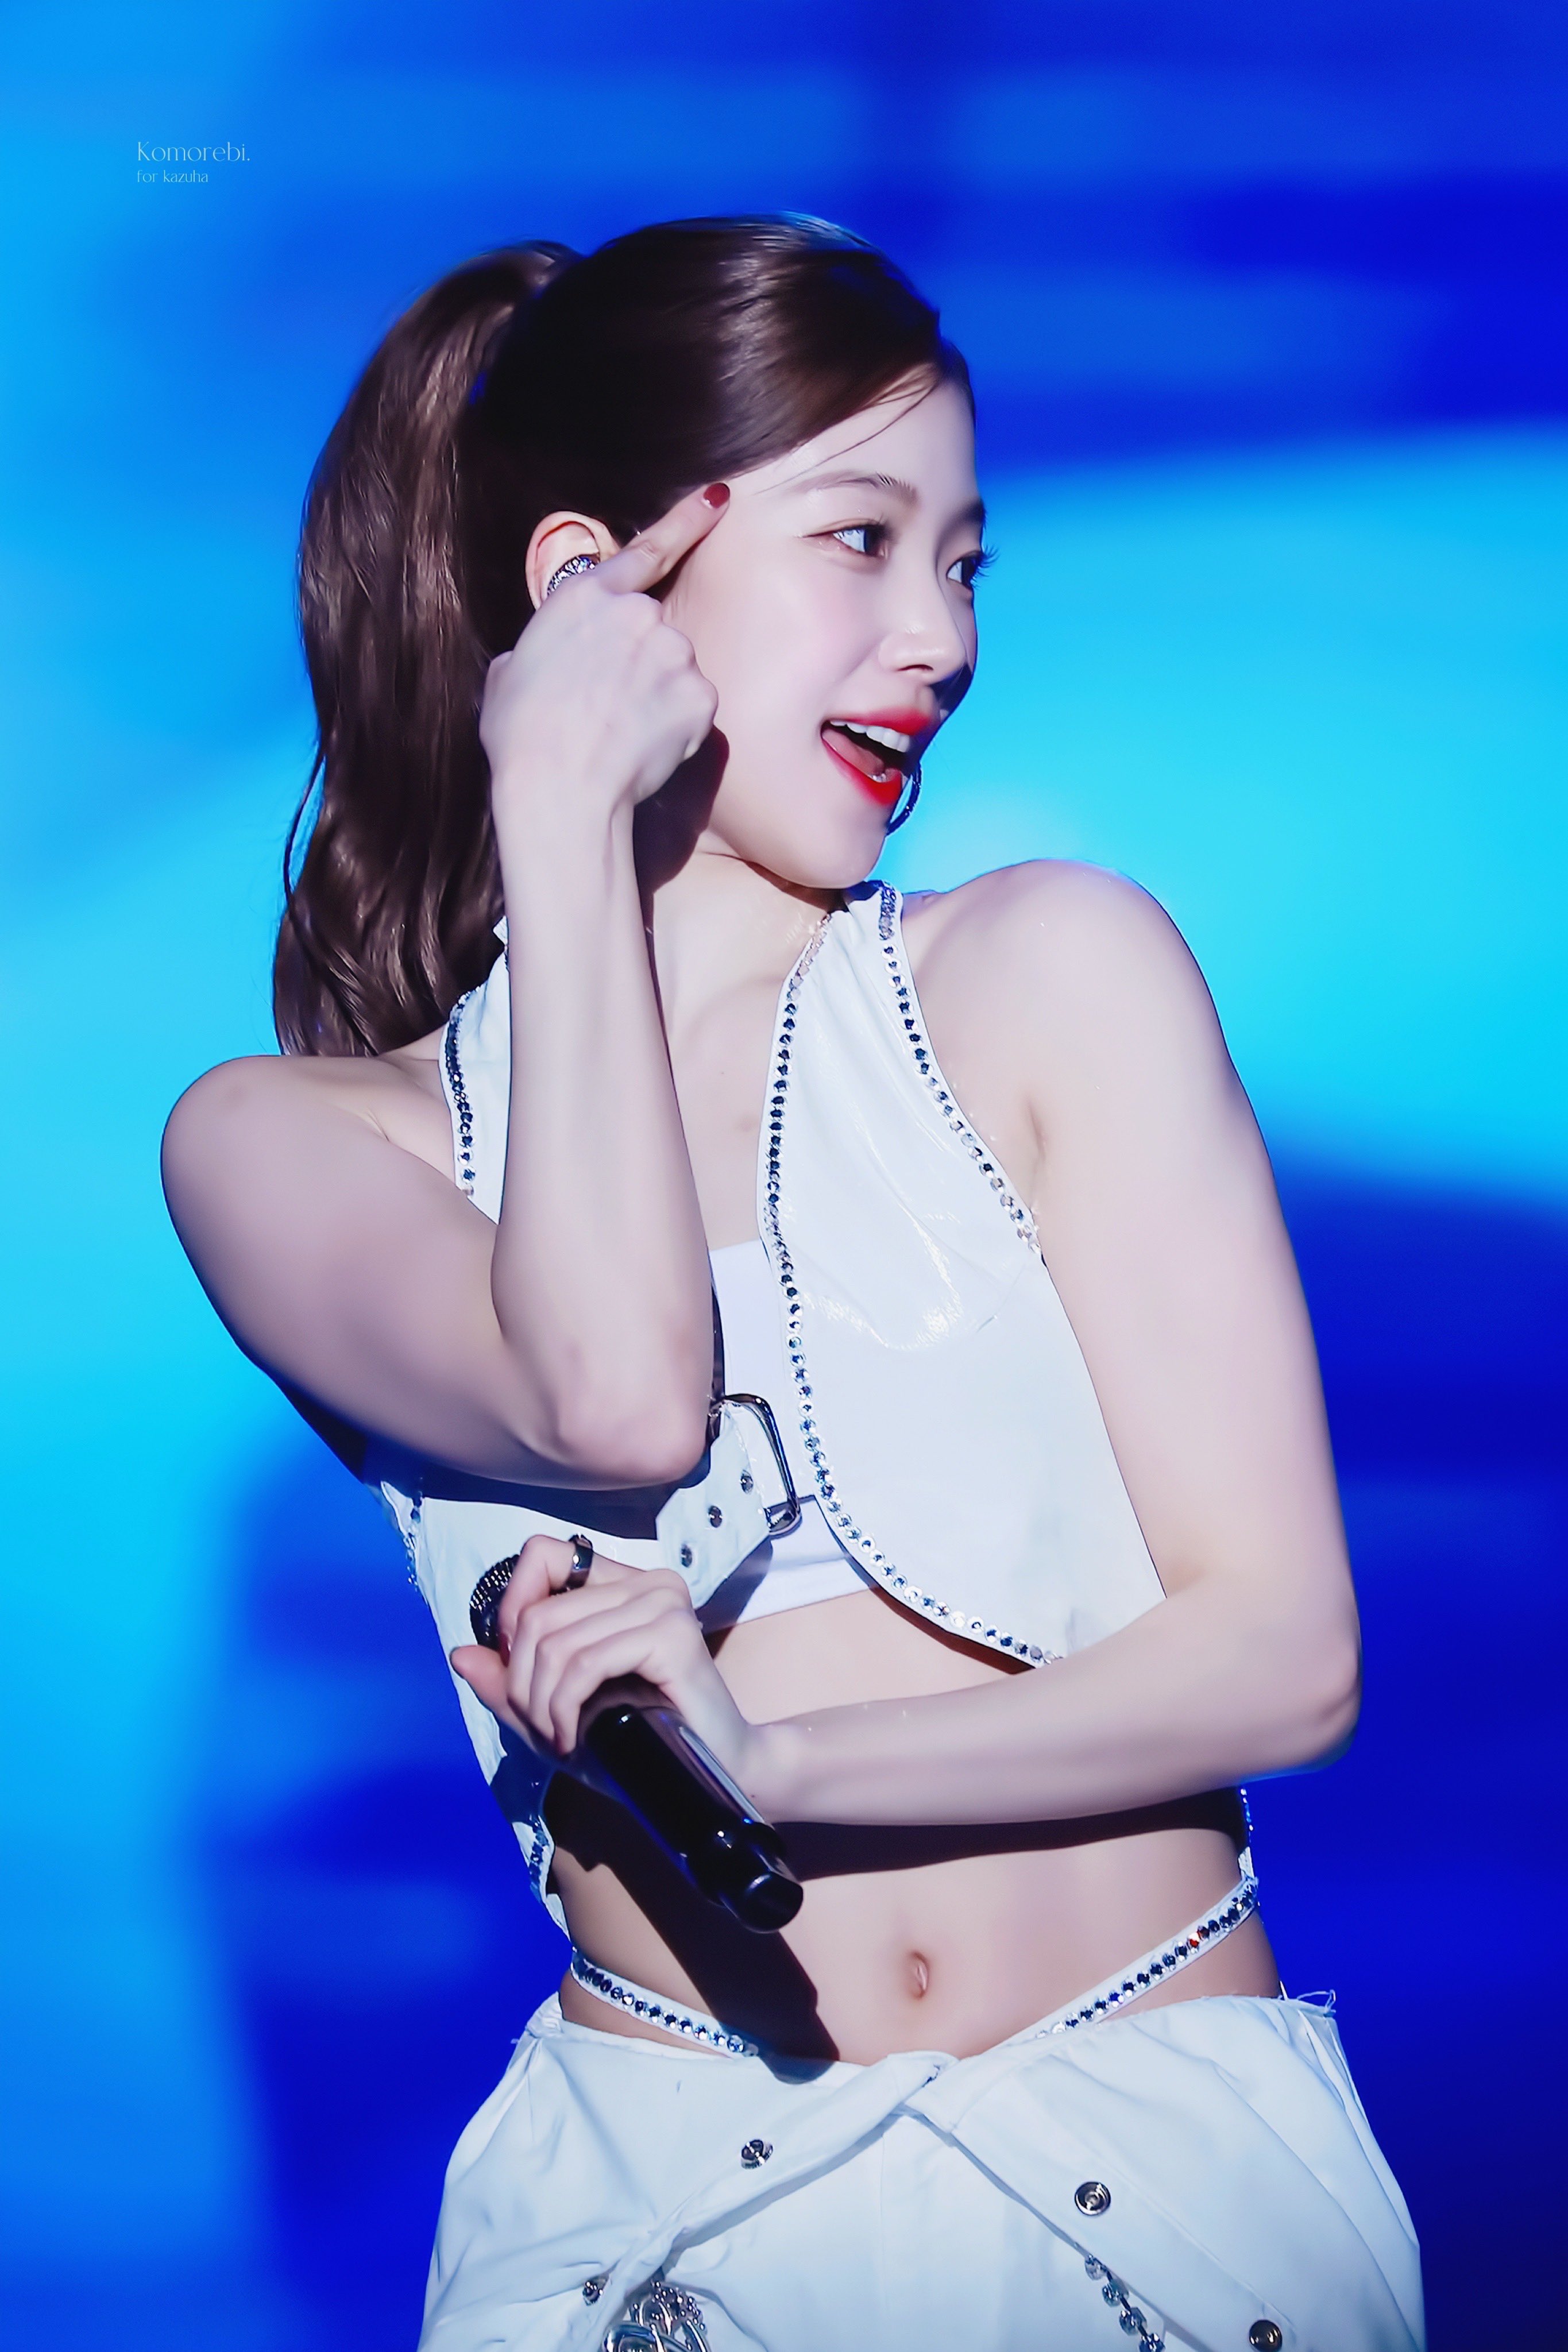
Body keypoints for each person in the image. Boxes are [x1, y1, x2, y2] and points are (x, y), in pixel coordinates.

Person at [162, 215, 1423, 2352]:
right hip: (663, 2234)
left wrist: (784, 1760)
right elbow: (613, 1399)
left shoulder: (1047, 975)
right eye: (860, 541)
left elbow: (1286, 1659)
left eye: (966, 563)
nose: (938, 638)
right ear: (591, 589)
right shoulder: (295, 1146)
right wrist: (560, 823)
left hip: (1159, 2196)